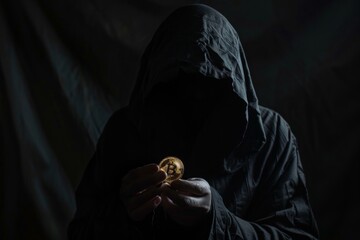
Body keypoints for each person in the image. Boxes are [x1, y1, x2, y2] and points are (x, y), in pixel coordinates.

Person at [68, 4, 319, 240]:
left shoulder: (272, 135)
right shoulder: (125, 130)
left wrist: (216, 219)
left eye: (210, 86)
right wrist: (123, 216)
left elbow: (295, 236)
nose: (195, 96)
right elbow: (80, 232)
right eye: (180, 84)